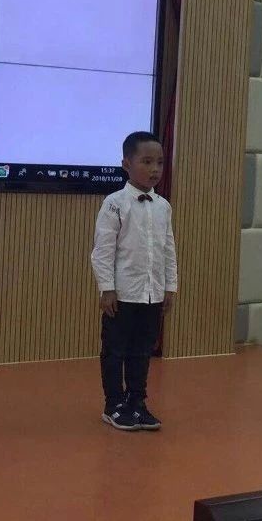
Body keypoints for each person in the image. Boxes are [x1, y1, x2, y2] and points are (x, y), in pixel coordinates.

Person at [91, 131, 177, 432]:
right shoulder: (115, 203)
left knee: (142, 351)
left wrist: (170, 286)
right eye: (147, 162)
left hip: (151, 294)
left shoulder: (163, 206)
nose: (155, 169)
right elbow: (103, 250)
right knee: (115, 350)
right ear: (126, 164)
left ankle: (137, 402)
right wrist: (107, 288)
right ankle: (113, 405)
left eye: (160, 163)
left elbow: (168, 249)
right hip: (123, 294)